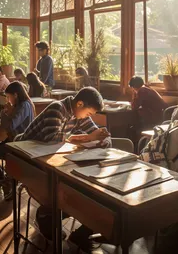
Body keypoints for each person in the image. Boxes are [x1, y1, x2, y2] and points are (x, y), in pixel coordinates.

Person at [21, 87, 111, 249]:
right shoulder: (57, 108)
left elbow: (94, 131)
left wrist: (103, 138)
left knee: (90, 189)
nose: (88, 117)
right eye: (89, 113)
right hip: (29, 162)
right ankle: (47, 214)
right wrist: (89, 138)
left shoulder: (78, 113)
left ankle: (70, 226)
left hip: (50, 161)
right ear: (80, 103)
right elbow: (53, 140)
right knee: (74, 191)